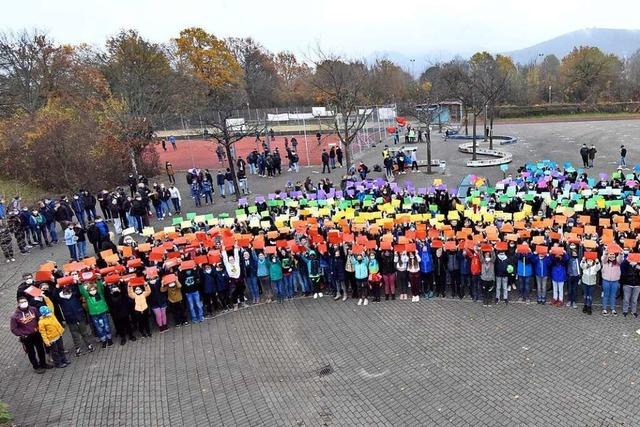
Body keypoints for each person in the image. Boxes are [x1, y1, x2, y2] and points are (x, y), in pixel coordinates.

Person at [11, 296, 50, 373]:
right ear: (18, 304)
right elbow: (13, 328)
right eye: (21, 302)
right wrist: (22, 335)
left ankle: (43, 363)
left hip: (36, 333)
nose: (24, 303)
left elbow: (39, 318)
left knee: (41, 349)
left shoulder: (33, 309)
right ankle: (36, 367)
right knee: (31, 352)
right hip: (26, 337)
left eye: (25, 301)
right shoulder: (15, 316)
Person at [55, 285, 94, 356]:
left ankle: (89, 345)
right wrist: (57, 288)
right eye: (66, 293)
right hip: (71, 320)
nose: (68, 294)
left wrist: (75, 283)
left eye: (69, 292)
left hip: (80, 317)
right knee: (75, 335)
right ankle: (78, 348)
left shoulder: (75, 295)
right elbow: (54, 297)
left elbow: (78, 291)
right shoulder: (60, 299)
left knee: (84, 333)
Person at [78, 277, 114, 348]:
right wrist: (79, 283)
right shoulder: (88, 297)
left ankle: (109, 339)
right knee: (99, 328)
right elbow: (82, 291)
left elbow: (100, 287)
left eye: (94, 289)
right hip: (94, 314)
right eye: (91, 290)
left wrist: (98, 279)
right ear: (88, 291)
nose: (93, 291)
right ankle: (104, 340)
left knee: (106, 326)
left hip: (103, 312)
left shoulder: (100, 294)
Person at [601, 249, 622, 316]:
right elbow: (603, 259)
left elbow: (620, 259)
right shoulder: (605, 261)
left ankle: (613, 308)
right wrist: (606, 253)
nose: (612, 255)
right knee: (606, 295)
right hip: (606, 280)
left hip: (615, 281)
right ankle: (604, 309)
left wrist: (620, 254)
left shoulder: (618, 262)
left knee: (613, 295)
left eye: (613, 254)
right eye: (610, 254)